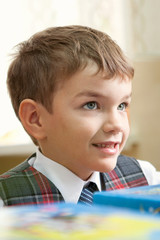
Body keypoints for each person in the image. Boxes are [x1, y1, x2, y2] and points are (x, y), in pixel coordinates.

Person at [0, 25, 159, 206]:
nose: (116, 124)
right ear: (35, 119)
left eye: (122, 105)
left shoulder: (146, 179)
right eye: (91, 105)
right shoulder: (5, 203)